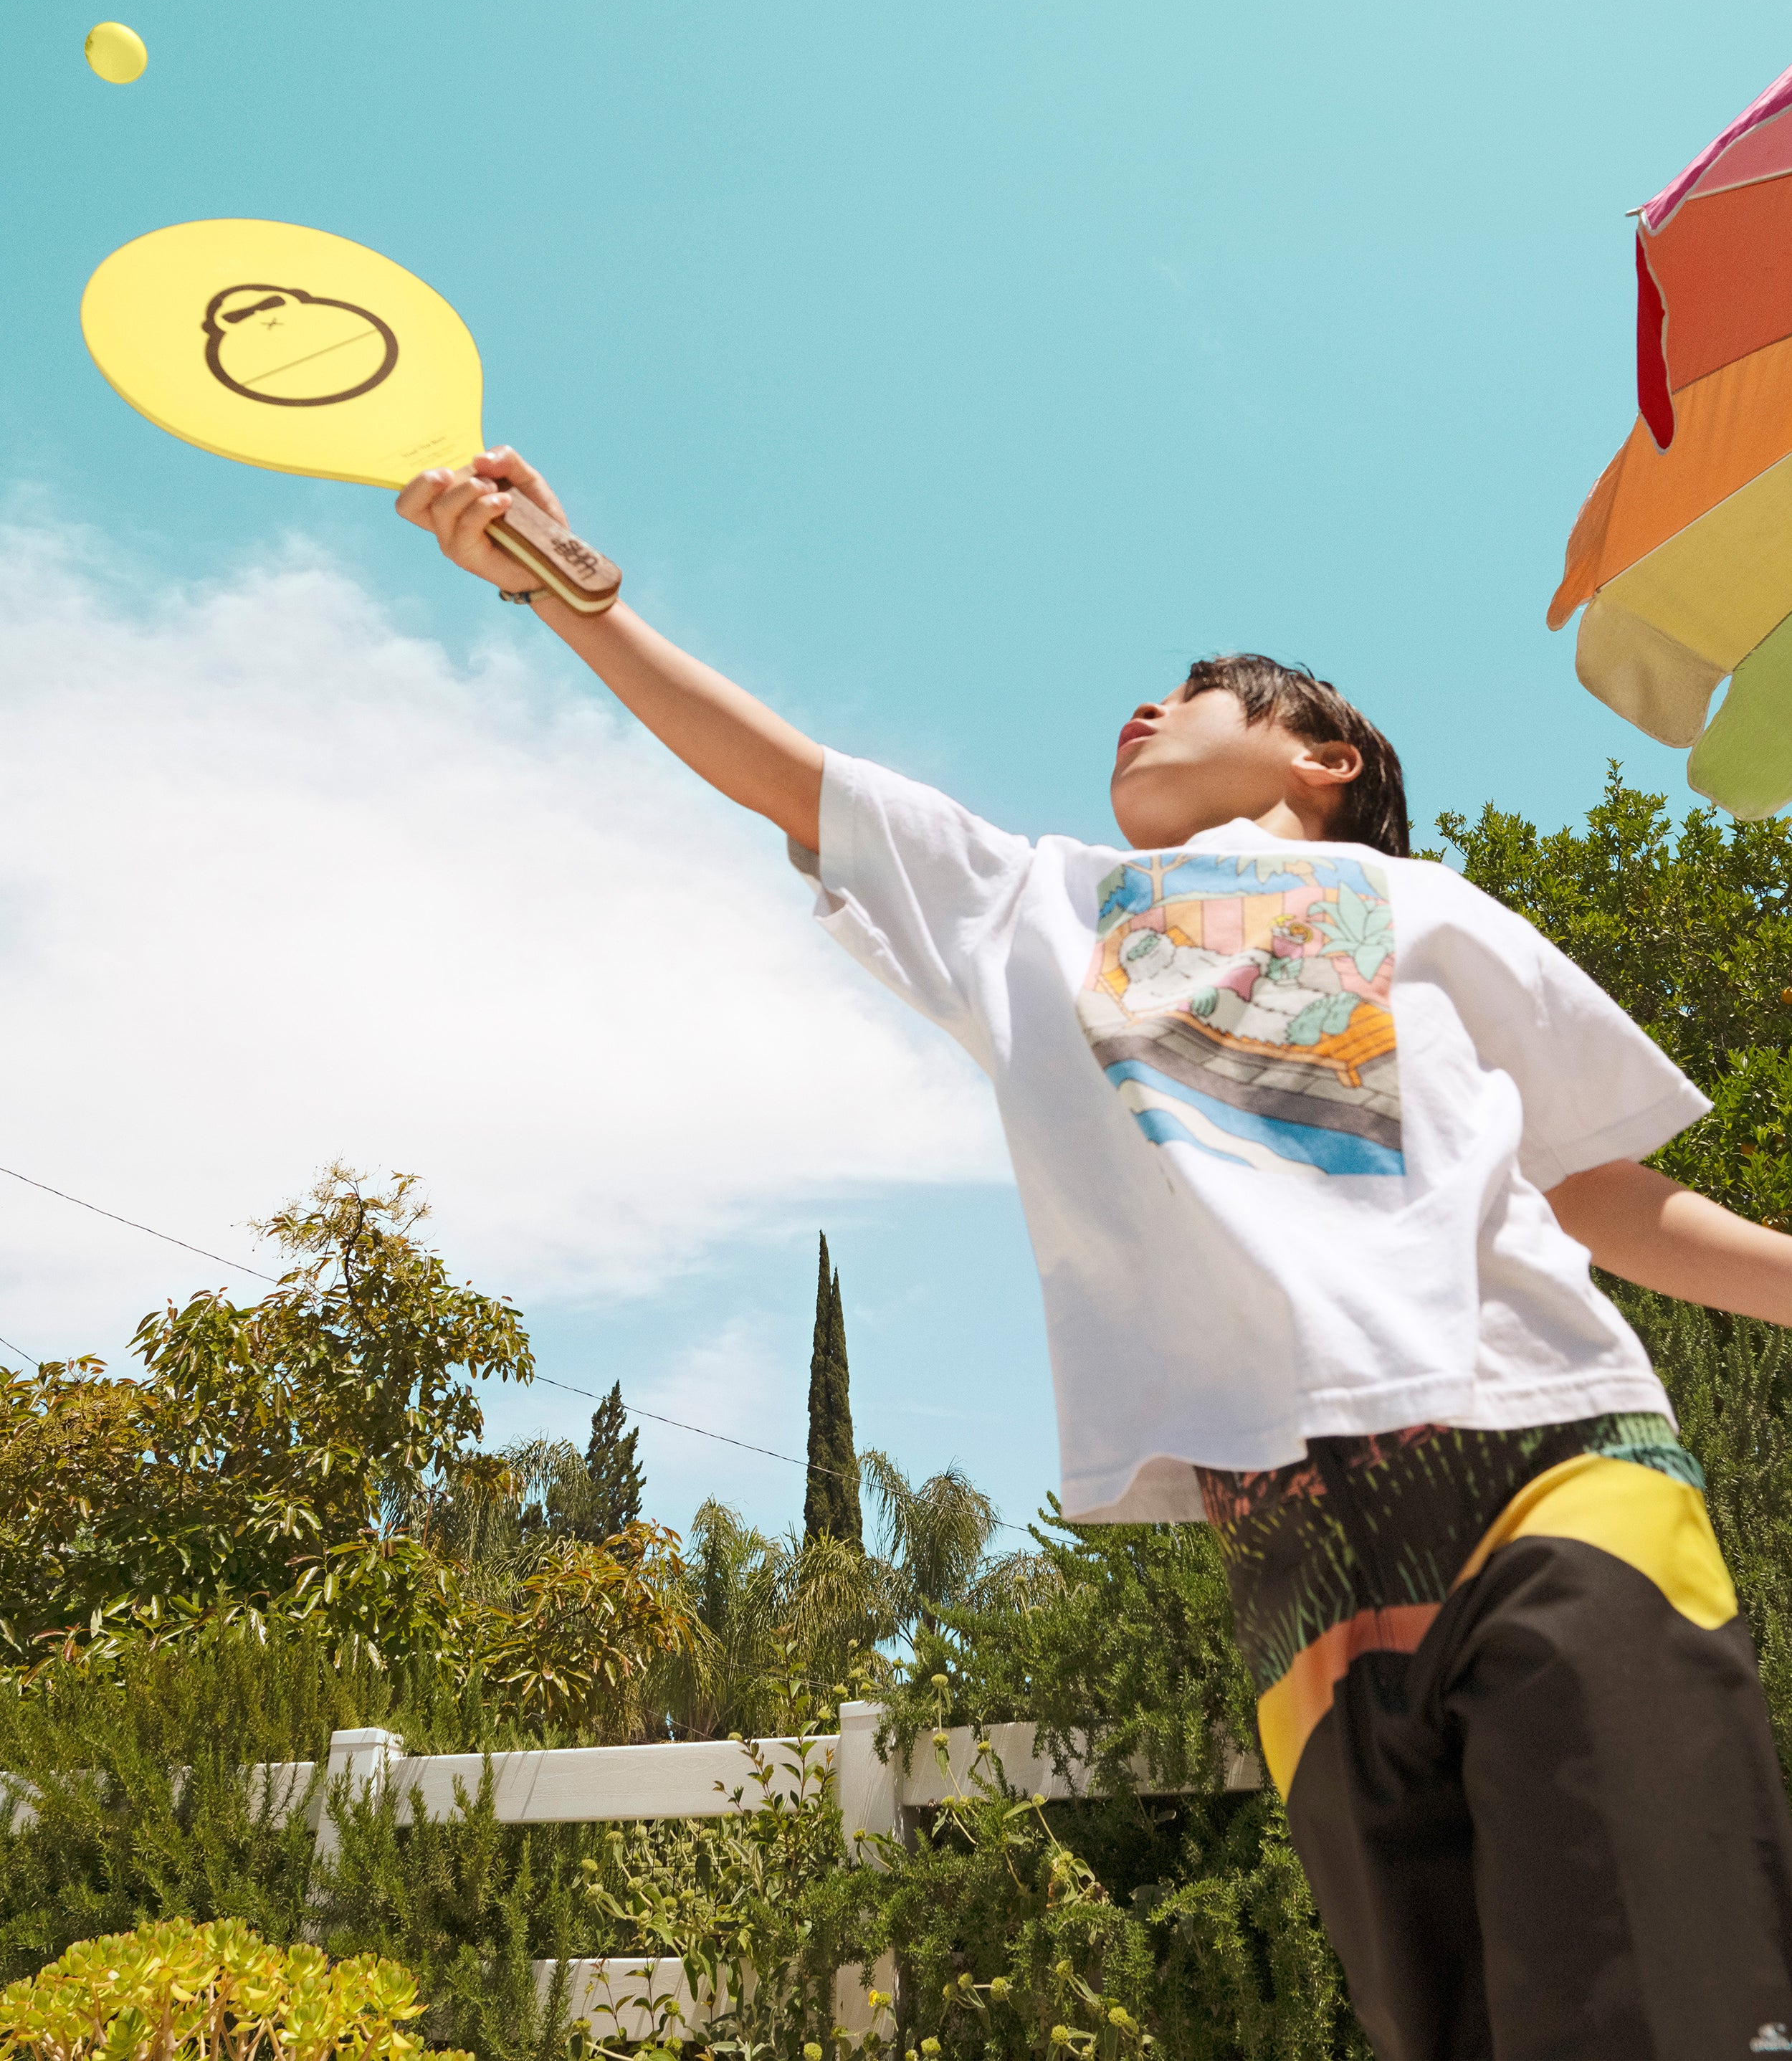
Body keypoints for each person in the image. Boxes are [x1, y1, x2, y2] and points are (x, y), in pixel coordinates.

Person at [401, 449, 1792, 2061]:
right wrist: (564, 586)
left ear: (1323, 754)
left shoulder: (1421, 909)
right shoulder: (1030, 906)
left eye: (1198, 691)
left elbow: (1599, 1194)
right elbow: (781, 776)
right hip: (1294, 1553)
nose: (1143, 707)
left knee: (1676, 2000)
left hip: (1551, 1461)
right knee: (1455, 2021)